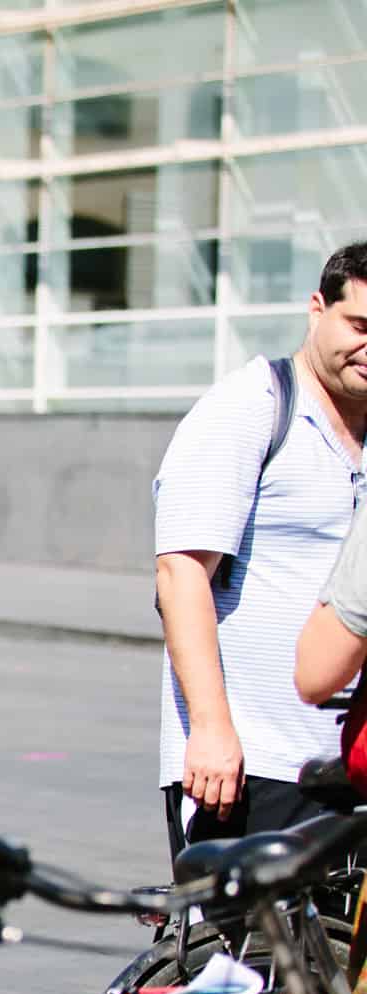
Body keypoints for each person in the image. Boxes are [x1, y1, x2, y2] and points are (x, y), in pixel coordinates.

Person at [154, 242, 367, 865]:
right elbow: (181, 573)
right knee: (248, 958)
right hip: (256, 764)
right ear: (316, 309)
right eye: (358, 326)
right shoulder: (251, 407)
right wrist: (213, 729)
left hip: (348, 762)